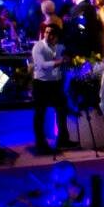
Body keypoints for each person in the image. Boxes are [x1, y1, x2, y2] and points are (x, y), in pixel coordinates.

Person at [29, 21, 75, 154]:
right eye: (46, 32)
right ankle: (40, 143)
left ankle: (63, 139)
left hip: (55, 83)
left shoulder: (59, 47)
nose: (48, 35)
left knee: (62, 110)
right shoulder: (38, 47)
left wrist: (67, 58)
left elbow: (66, 57)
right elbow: (42, 65)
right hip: (41, 84)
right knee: (40, 114)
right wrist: (60, 61)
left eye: (51, 33)